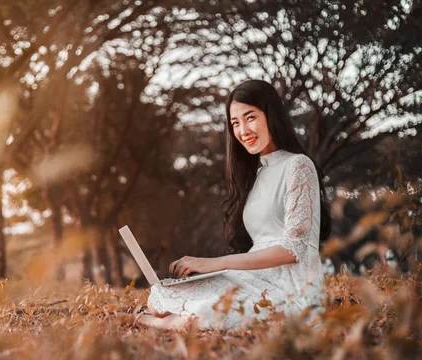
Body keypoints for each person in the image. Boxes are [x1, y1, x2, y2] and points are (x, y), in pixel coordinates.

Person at [138, 80, 332, 330]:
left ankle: (146, 320)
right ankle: (164, 317)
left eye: (250, 117)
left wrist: (215, 263)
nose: (243, 131)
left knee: (206, 314)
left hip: (293, 288)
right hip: (254, 278)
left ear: (271, 116)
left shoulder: (298, 165)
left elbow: (293, 250)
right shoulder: (257, 174)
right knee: (160, 296)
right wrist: (209, 270)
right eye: (235, 123)